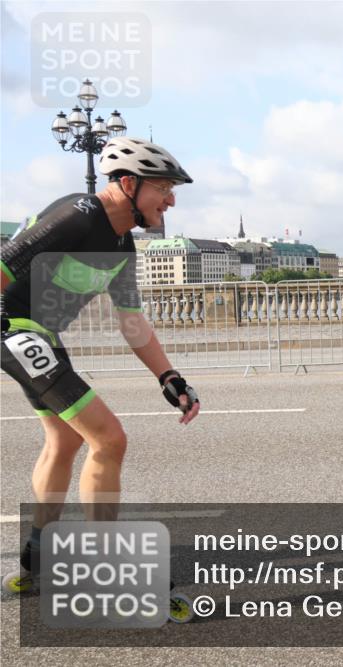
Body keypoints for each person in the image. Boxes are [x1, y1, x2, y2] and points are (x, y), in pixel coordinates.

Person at [1, 138, 201, 615]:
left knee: (66, 442)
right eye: (164, 189)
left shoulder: (121, 245)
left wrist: (169, 376)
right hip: (12, 326)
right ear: (128, 184)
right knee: (109, 439)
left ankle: (35, 558)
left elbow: (132, 321)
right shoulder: (81, 214)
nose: (171, 201)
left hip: (40, 333)